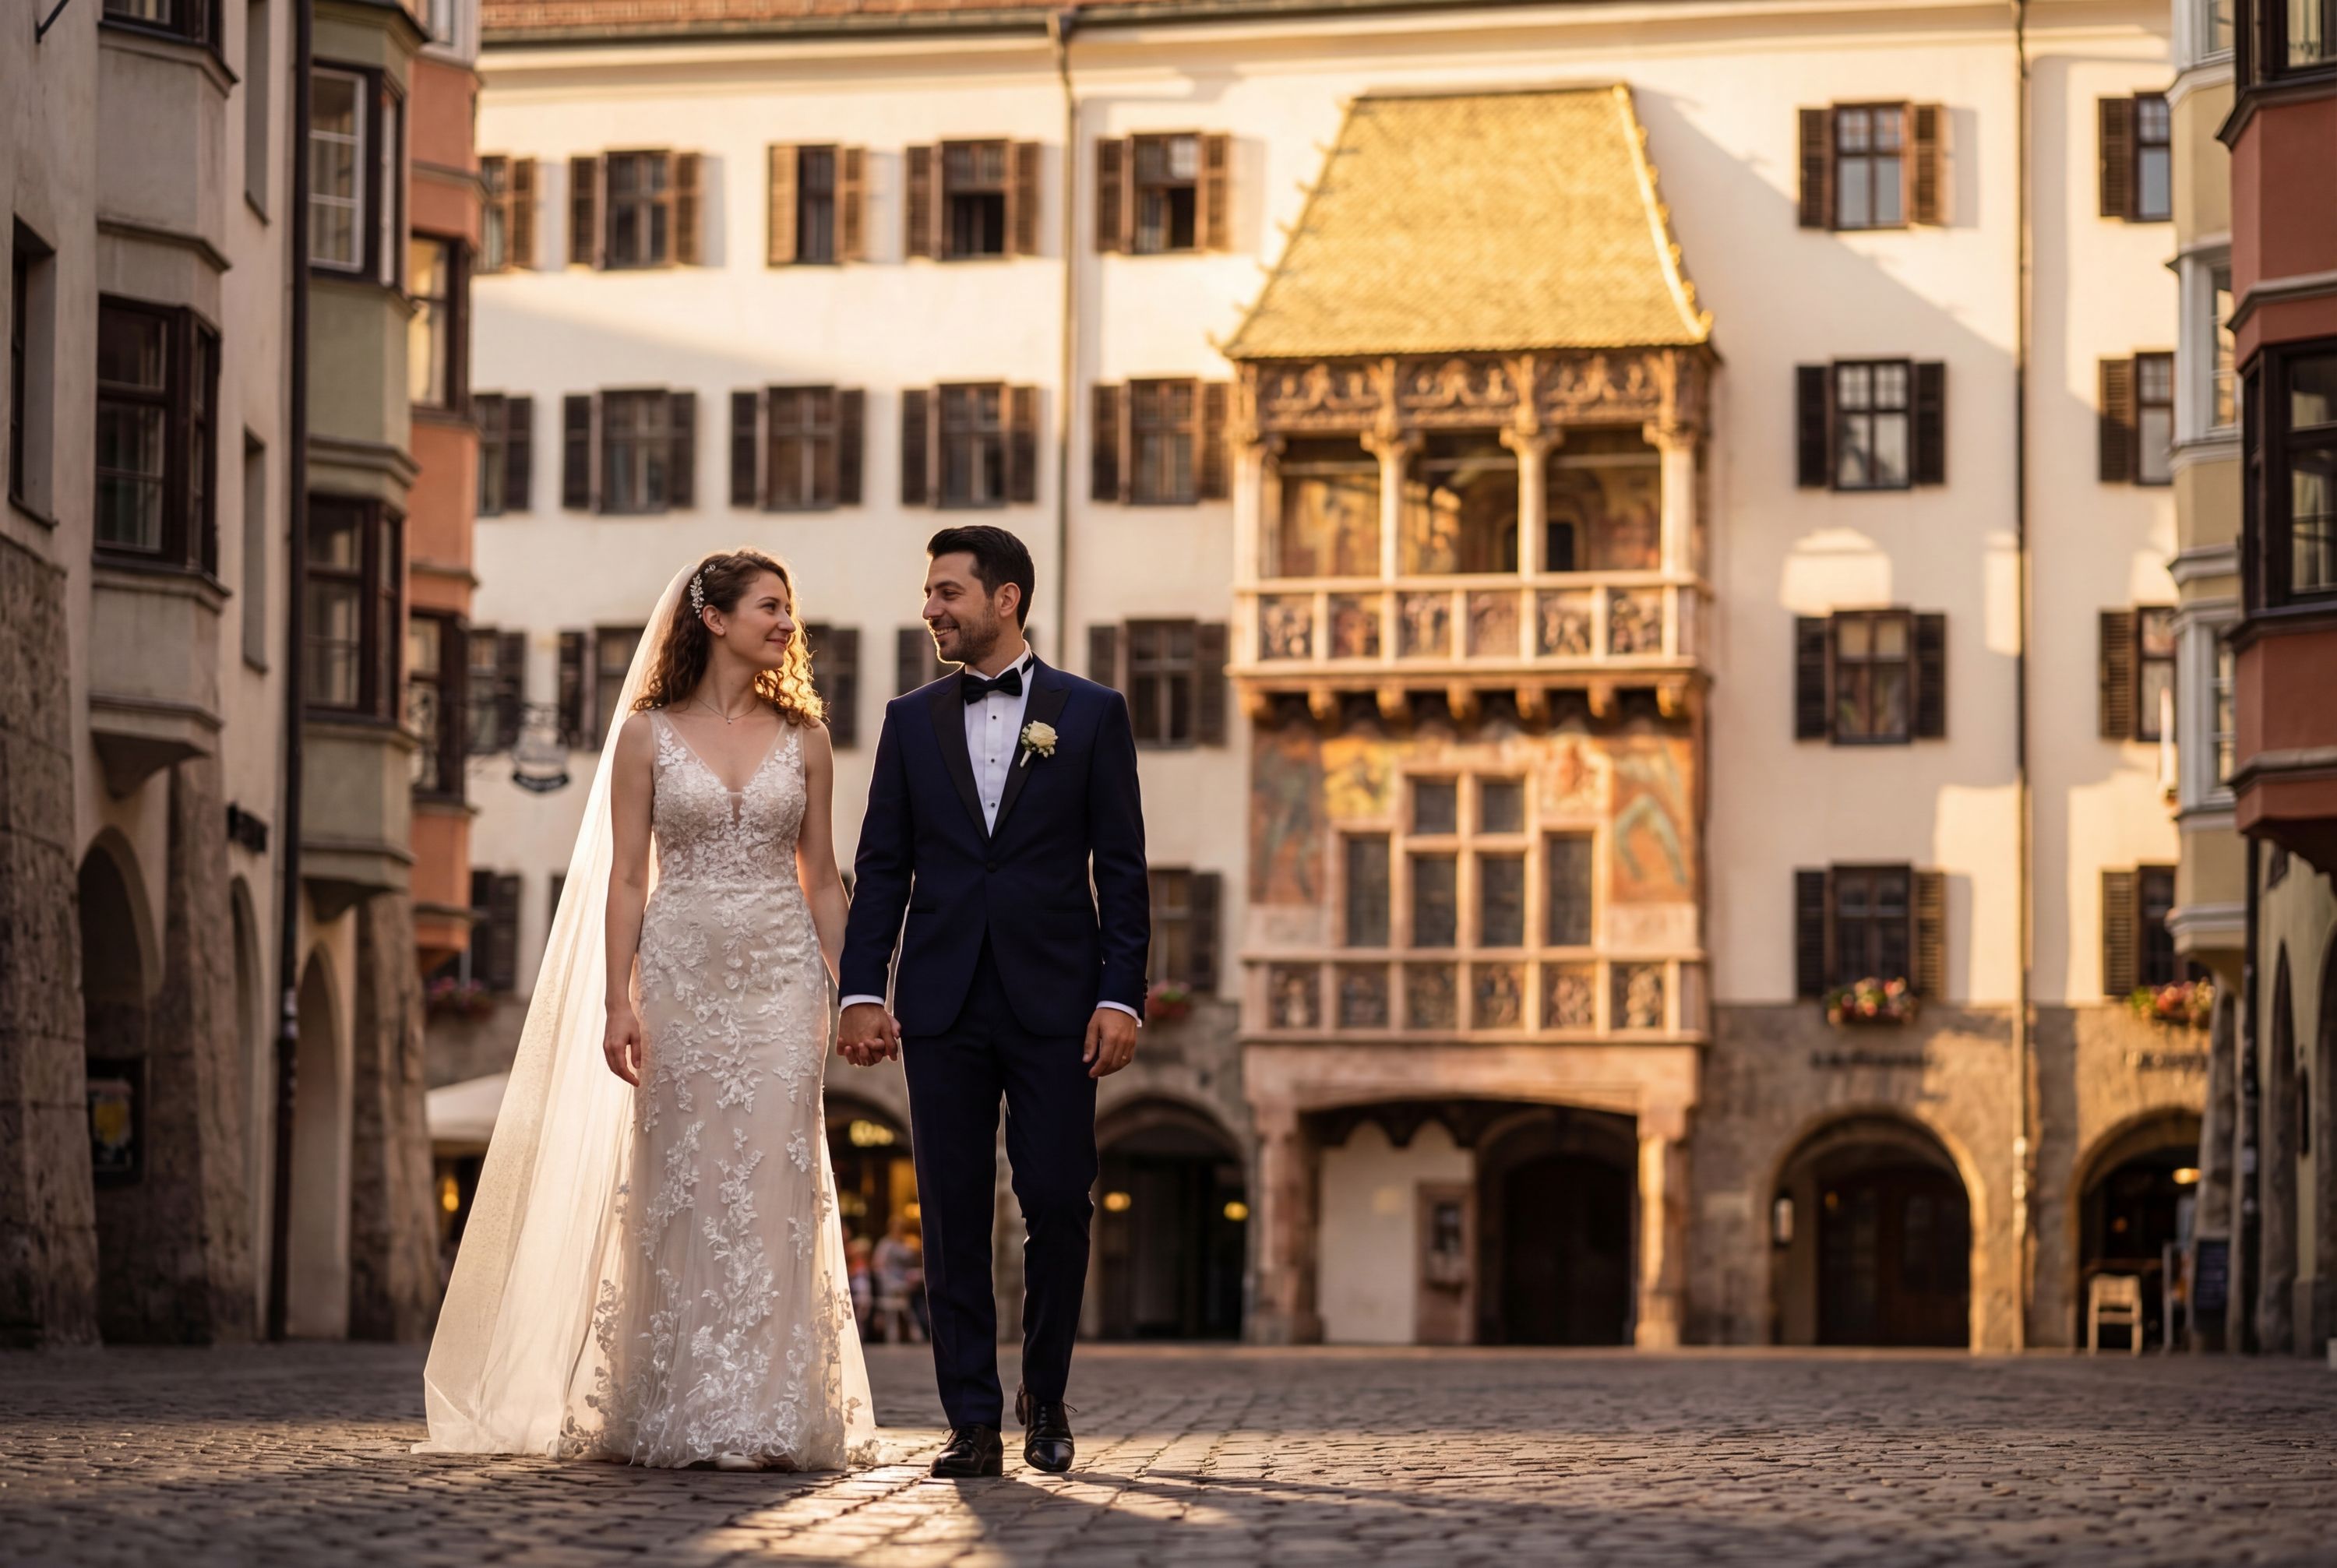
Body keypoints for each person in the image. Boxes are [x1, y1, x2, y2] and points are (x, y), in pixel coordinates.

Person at [417, 550, 876, 1474]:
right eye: (770, 606)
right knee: (685, 1178)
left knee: (777, 1180)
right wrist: (615, 1000)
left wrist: (861, 990)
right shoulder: (645, 736)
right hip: (681, 973)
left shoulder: (808, 738)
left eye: (787, 608)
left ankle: (772, 1410)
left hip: (782, 978)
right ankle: (679, 1400)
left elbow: (823, 878)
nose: (787, 623)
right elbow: (628, 878)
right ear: (715, 618)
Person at [837, 525, 1150, 1478]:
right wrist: (861, 989)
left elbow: (1123, 870)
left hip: (1057, 1001)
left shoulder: (1091, 713)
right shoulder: (908, 721)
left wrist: (1121, 996)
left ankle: (1045, 1396)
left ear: (1004, 599)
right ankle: (970, 1417)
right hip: (940, 1002)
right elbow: (882, 868)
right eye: (930, 592)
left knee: (1058, 1199)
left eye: (948, 592)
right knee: (951, 1211)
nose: (930, 608)